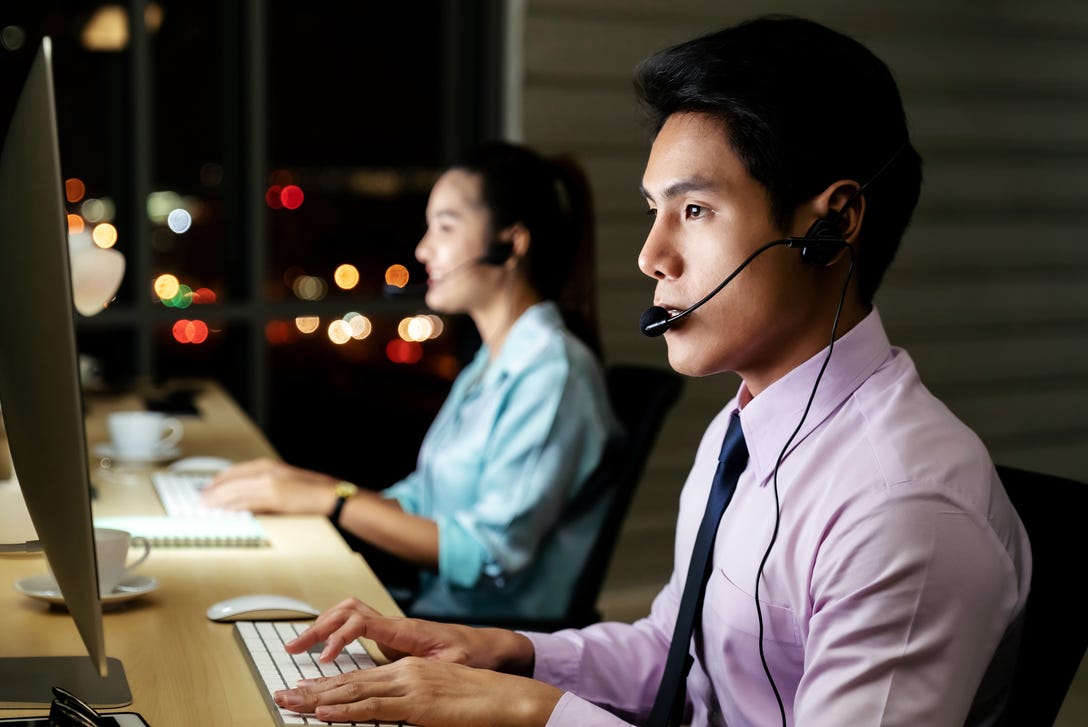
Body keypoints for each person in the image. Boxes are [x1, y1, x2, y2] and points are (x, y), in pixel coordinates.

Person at [265, 15, 1032, 727]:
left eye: (694, 210)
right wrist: (505, 652)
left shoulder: (902, 510)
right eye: (652, 211)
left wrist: (530, 708)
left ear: (832, 225)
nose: (650, 257)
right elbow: (674, 653)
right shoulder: (740, 430)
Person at [202, 141, 620, 621]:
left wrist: (330, 500)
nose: (423, 249)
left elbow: (486, 555)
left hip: (480, 637)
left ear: (510, 243)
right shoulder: (491, 363)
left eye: (445, 226)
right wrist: (305, 485)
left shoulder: (552, 374)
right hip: (433, 613)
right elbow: (422, 500)